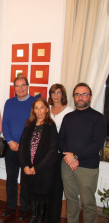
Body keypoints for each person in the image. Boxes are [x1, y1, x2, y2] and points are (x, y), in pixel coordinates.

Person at [59, 83, 106, 223]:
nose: (80, 97)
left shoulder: (98, 118)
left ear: (90, 97)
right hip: (67, 165)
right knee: (71, 199)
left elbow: (97, 144)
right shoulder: (68, 117)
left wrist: (75, 156)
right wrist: (68, 157)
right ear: (74, 97)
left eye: (84, 94)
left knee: (88, 203)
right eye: (77, 94)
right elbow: (61, 139)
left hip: (87, 167)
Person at [18, 98, 59, 223]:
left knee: (41, 196)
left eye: (42, 107)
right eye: (36, 108)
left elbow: (52, 151)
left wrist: (37, 168)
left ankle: (40, 219)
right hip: (28, 169)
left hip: (43, 170)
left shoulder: (51, 127)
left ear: (47, 109)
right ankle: (33, 217)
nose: (39, 110)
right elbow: (22, 147)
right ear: (33, 110)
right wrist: (25, 165)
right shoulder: (29, 125)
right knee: (31, 194)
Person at [2, 76, 36, 221]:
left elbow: (36, 127)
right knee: (11, 178)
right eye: (17, 86)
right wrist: (9, 141)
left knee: (25, 180)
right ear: (14, 88)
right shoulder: (9, 103)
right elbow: (5, 124)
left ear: (28, 86)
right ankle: (10, 206)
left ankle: (23, 208)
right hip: (11, 147)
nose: (20, 88)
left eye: (23, 85)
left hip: (27, 149)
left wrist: (24, 144)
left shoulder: (35, 102)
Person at [46, 84, 74, 222]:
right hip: (45, 154)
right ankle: (44, 215)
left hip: (59, 153)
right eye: (53, 93)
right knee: (45, 185)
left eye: (58, 92)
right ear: (50, 95)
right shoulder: (46, 110)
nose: (56, 95)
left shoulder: (69, 111)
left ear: (63, 94)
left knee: (57, 187)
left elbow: (71, 134)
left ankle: (53, 217)